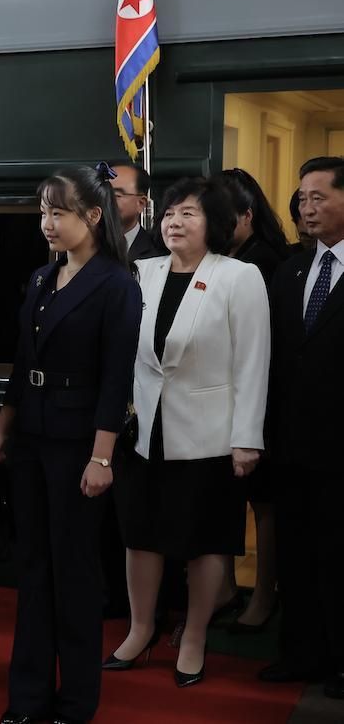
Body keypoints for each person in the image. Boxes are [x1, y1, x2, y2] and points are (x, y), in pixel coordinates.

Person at [0, 164, 141, 724]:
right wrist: (3, 427)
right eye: (44, 210)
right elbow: (24, 362)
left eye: (59, 212)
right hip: (31, 437)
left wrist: (102, 456)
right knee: (33, 570)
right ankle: (26, 699)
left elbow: (116, 378)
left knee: (73, 573)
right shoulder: (41, 279)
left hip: (81, 445)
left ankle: (74, 703)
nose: (47, 222)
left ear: (94, 217)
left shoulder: (117, 285)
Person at [107, 176, 269, 689]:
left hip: (210, 437)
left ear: (215, 224)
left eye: (189, 213)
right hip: (143, 432)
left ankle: (194, 636)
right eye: (171, 212)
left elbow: (252, 364)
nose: (175, 220)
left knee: (203, 542)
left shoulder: (239, 277)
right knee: (140, 536)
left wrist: (248, 438)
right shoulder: (141, 272)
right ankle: (140, 629)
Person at [259, 157, 344, 700]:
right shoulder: (288, 270)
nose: (306, 208)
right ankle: (300, 652)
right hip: (290, 445)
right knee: (296, 554)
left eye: (318, 197)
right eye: (302, 199)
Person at [218, 166, 291, 634]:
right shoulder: (224, 257)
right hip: (220, 399)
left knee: (264, 506)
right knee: (224, 501)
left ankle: (264, 595)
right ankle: (224, 590)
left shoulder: (263, 262)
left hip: (261, 399)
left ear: (246, 215)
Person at [109, 160, 160, 261]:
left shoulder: (159, 252)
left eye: (116, 195)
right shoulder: (78, 248)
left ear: (141, 203)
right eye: (100, 193)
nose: (106, 200)